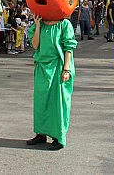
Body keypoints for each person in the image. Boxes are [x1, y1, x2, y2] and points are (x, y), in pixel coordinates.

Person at [26, 14, 77, 150]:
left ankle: (58, 137)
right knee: (41, 101)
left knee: (58, 103)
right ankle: (41, 133)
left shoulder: (64, 24)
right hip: (42, 67)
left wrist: (66, 69)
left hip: (59, 66)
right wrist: (37, 26)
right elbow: (35, 45)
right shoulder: (40, 23)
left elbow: (69, 47)